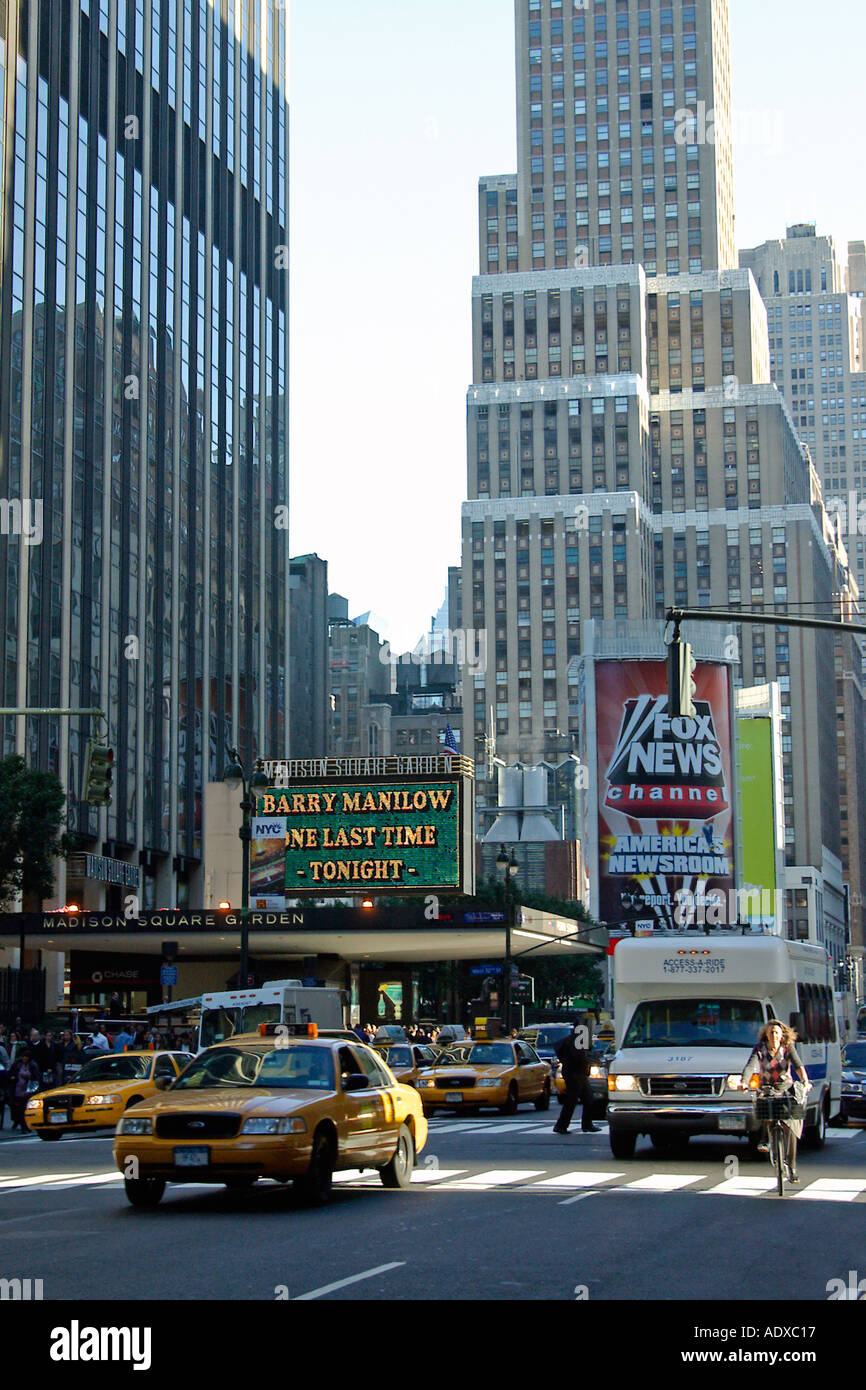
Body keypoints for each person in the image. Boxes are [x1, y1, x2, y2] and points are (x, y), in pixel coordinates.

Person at [742, 1018, 810, 1184]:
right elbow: (750, 1067)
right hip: (767, 1087)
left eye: (777, 1033)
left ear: (782, 1035)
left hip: (785, 1087)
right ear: (766, 1034)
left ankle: (792, 1168)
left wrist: (805, 1082)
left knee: (791, 1125)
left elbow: (798, 1066)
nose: (774, 1036)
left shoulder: (787, 1048)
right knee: (764, 1103)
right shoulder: (759, 1049)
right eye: (771, 1032)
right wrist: (744, 1082)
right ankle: (765, 1137)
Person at [553, 1020, 599, 1135]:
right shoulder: (577, 1039)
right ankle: (562, 1125)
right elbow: (579, 1057)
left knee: (584, 1098)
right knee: (575, 1100)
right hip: (576, 1073)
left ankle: (585, 1125)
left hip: (574, 1072)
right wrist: (590, 1062)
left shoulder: (572, 1038)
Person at [8, 1049, 41, 1131]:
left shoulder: (32, 1065)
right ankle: (17, 1121)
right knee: (16, 1107)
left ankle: (24, 1125)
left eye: (26, 1057)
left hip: (28, 1088)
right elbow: (11, 1073)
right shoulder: (17, 1064)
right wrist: (12, 1077)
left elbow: (36, 1077)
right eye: (23, 1057)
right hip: (17, 1087)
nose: (24, 1058)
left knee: (24, 1107)